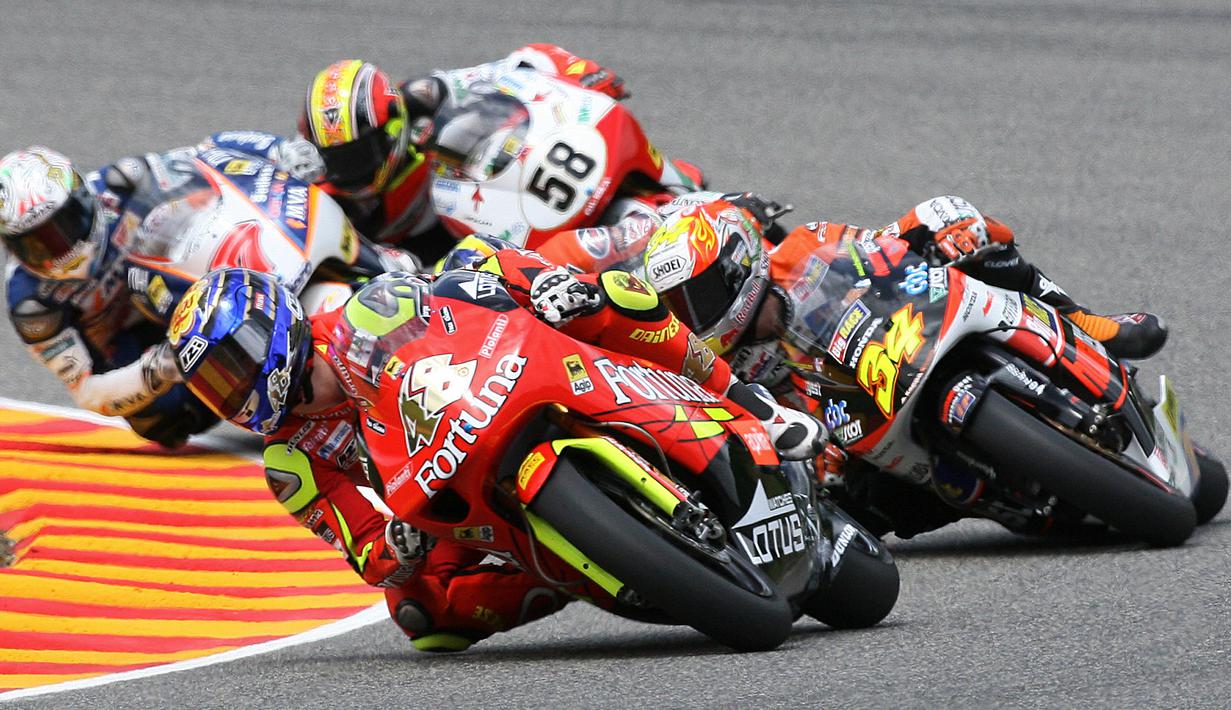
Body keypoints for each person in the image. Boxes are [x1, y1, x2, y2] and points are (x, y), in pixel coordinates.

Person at [165, 253, 823, 651]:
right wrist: (398, 547)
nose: (238, 386)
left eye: (236, 363)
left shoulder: (363, 311)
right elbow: (363, 548)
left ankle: (743, 398)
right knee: (421, 615)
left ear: (274, 326)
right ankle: (566, 570)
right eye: (218, 385)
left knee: (604, 297)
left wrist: (538, 286)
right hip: (447, 487)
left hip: (498, 386)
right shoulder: (288, 464)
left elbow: (465, 282)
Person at [639, 193, 1168, 537]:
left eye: (698, 294)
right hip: (859, 434)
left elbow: (881, 246)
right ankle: (994, 494)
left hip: (907, 336)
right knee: (862, 507)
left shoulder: (805, 246)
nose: (694, 313)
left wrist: (936, 229)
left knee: (954, 219)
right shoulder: (722, 367)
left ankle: (1083, 321)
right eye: (681, 304)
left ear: (737, 261)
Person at [0, 144, 413, 447]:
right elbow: (89, 392)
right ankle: (282, 411)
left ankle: (376, 262)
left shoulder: (120, 183)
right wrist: (157, 368)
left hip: (174, 284)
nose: (56, 250)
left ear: (82, 201)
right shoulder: (32, 302)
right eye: (33, 243)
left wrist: (280, 151)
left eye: (60, 227)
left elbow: (210, 154)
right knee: (159, 421)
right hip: (136, 348)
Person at [210, 43, 702, 265]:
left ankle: (682, 190)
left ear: (393, 128)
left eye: (360, 154)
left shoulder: (422, 96)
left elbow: (516, 67)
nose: (351, 170)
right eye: (339, 157)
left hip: (493, 212)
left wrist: (576, 73)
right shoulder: (324, 186)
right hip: (419, 266)